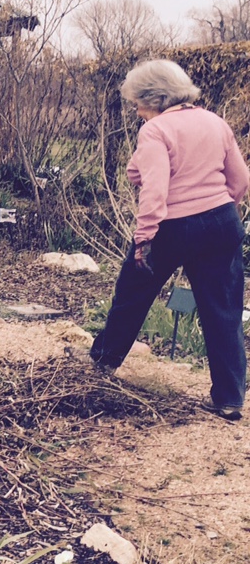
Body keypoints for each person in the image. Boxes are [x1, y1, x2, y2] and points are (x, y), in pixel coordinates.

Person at [90, 59, 249, 420]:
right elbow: (240, 181)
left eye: (137, 104)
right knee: (223, 310)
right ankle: (229, 399)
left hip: (171, 228)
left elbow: (155, 190)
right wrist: (219, 211)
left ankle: (102, 364)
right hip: (221, 222)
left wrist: (145, 236)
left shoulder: (156, 130)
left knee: (132, 294)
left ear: (153, 99)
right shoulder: (215, 122)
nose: (135, 111)